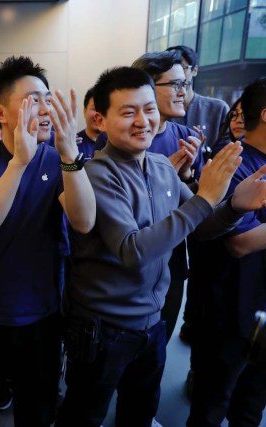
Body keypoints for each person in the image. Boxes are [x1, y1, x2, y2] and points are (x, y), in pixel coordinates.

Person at [55, 66, 266, 427]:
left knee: (139, 411)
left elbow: (200, 228)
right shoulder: (96, 174)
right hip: (104, 328)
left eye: (149, 109)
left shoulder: (160, 166)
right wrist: (206, 198)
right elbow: (132, 250)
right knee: (84, 415)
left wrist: (232, 206)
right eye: (128, 112)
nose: (143, 120)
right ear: (100, 120)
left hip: (151, 323)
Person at [0, 55, 95, 427]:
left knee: (37, 410)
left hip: (41, 313)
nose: (47, 108)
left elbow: (83, 221)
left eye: (48, 98)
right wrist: (19, 162)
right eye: (34, 99)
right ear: (1, 112)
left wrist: (69, 154)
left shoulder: (57, 160)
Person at [187, 77, 266, 427]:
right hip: (228, 313)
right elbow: (239, 242)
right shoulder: (231, 161)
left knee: (250, 408)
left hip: (260, 310)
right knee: (211, 406)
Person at [131, 50, 206, 342]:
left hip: (172, 261)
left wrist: (187, 178)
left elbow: (195, 204)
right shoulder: (121, 136)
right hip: (131, 259)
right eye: (174, 84)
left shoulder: (186, 137)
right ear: (147, 87)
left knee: (157, 351)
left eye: (184, 84)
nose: (182, 92)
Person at [166, 45, 230, 147]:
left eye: (183, 68)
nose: (176, 74)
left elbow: (225, 151)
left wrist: (202, 152)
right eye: (170, 69)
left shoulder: (218, 109)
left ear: (195, 70)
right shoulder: (160, 109)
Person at [76, 86, 101, 160]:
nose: (98, 115)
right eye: (95, 109)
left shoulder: (118, 145)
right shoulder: (75, 144)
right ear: (85, 110)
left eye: (103, 109)